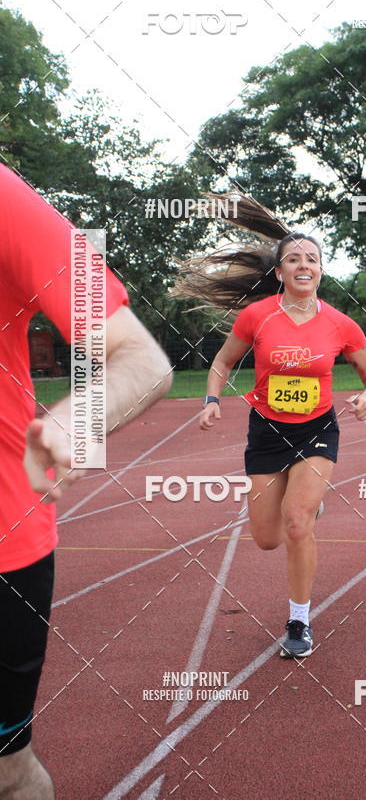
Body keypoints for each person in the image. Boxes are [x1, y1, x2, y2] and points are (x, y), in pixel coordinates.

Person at [0, 163, 173, 798]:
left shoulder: (4, 199)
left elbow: (141, 360)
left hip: (4, 542)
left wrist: (76, 420)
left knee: (6, 775)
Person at [173, 195, 366, 659]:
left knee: (296, 522)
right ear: (280, 272)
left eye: (312, 259)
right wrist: (211, 400)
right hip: (267, 431)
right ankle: (309, 509)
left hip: (317, 429)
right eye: (294, 259)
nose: (304, 265)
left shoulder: (341, 324)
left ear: (321, 270)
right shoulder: (258, 315)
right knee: (266, 539)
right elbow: (223, 362)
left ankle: (299, 621)